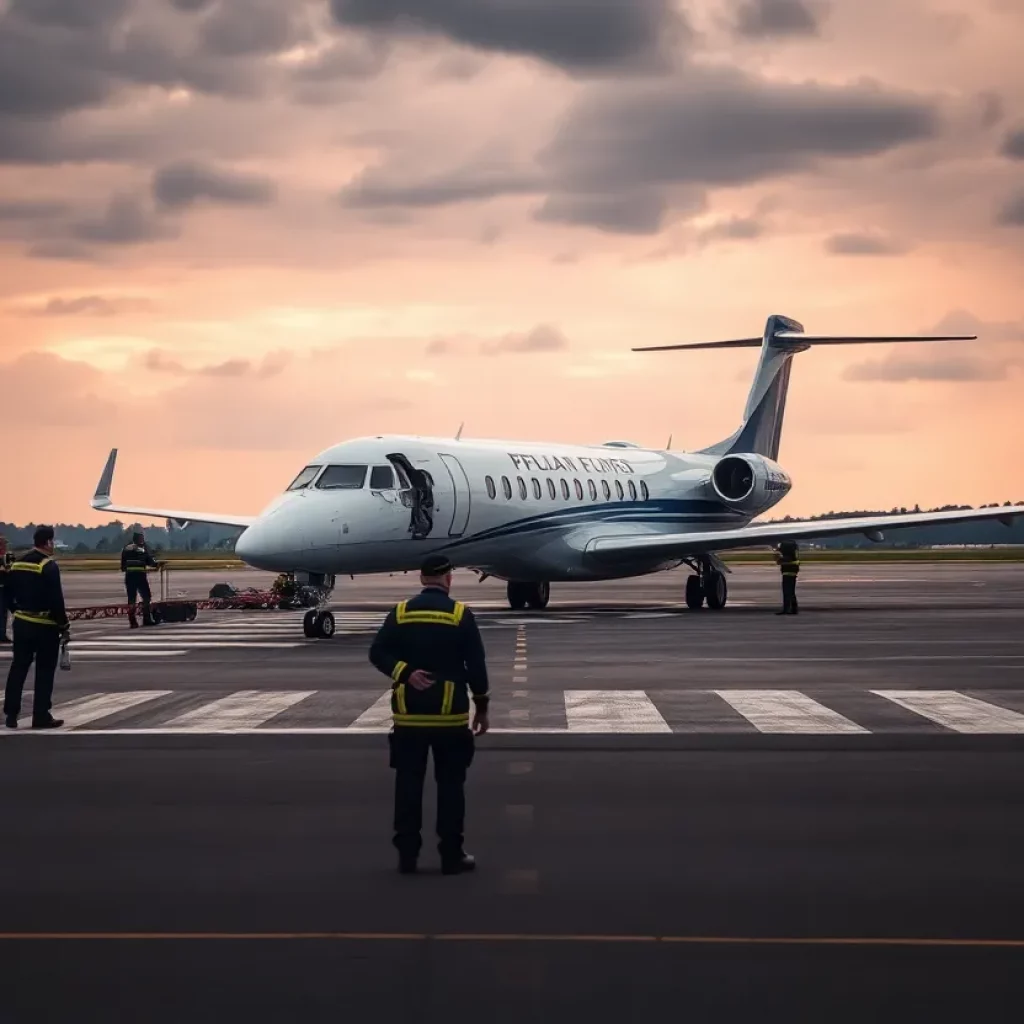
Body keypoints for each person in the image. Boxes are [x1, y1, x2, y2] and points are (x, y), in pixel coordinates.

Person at [369, 554, 490, 875]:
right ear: (448, 578)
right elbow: (476, 667)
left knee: (408, 786)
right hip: (451, 717)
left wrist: (404, 672)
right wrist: (482, 705)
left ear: (422, 579)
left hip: (409, 717)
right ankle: (451, 855)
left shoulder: (401, 613)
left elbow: (377, 652)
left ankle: (407, 855)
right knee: (451, 787)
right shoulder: (461, 615)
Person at [3, 526, 69, 729]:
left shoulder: (18, 563)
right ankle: (40, 715)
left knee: (18, 668)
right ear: (48, 542)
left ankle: (11, 715)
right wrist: (63, 624)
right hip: (44, 626)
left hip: (22, 623)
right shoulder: (48, 565)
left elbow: (6, 594)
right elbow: (56, 599)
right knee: (44, 671)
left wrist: (18, 612)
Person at [121, 530, 160, 628]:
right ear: (140, 539)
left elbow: (123, 567)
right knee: (146, 597)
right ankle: (147, 618)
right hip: (140, 576)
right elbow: (151, 562)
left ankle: (132, 621)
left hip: (129, 577)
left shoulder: (126, 549)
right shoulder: (142, 549)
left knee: (131, 600)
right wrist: (158, 563)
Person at [775, 539, 800, 615]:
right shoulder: (793, 555)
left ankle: (786, 609)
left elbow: (779, 562)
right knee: (791, 592)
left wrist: (778, 558)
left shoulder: (787, 557)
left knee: (787, 592)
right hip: (792, 574)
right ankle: (794, 609)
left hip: (787, 574)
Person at [0, 536, 11, 644]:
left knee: (3, 613)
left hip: (5, 588)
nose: (5, 547)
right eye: (3, 544)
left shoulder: (6, 557)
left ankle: (2, 634)